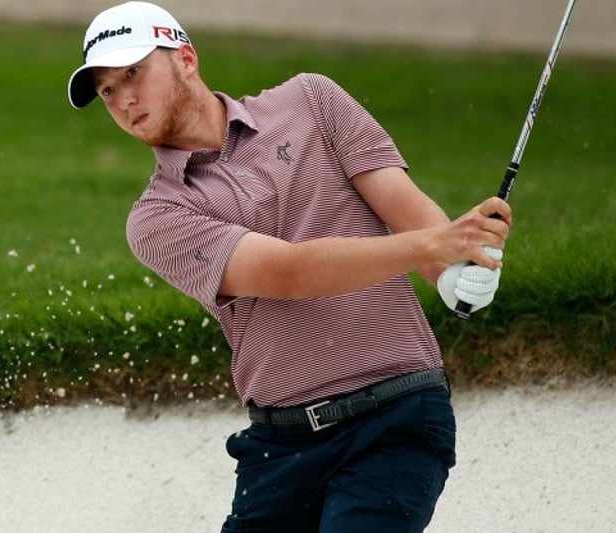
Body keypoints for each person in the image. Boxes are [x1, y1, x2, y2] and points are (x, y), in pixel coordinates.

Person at [66, 2, 511, 531]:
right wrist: (435, 246)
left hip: (396, 415)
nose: (124, 100)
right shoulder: (157, 217)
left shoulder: (312, 101)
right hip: (281, 448)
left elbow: (406, 209)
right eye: (107, 91)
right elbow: (289, 274)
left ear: (186, 58)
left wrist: (458, 269)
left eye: (133, 73)